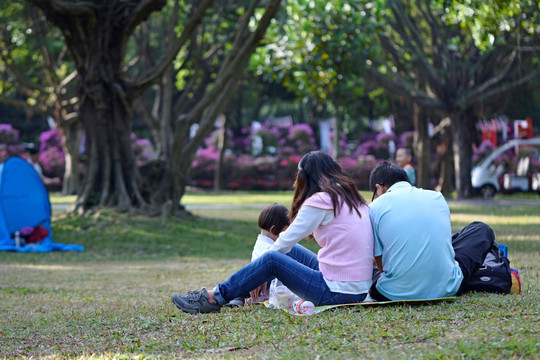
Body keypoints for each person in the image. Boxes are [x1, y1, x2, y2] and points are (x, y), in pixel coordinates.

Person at [171, 151, 374, 313]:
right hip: (356, 288)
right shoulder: (355, 201)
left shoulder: (321, 201)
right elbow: (288, 245)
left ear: (306, 177)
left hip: (336, 291)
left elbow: (285, 240)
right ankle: (240, 292)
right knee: (287, 251)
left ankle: (215, 296)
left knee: (271, 259)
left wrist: (262, 270)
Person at [368, 161, 501, 301]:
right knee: (481, 229)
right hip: (448, 288)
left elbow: (381, 266)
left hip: (392, 293)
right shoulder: (437, 197)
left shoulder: (375, 207)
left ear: (379, 188)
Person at [226, 202, 290, 307]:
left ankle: (239, 296)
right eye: (284, 233)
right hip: (260, 286)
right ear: (273, 230)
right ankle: (239, 296)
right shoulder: (267, 246)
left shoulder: (262, 241)